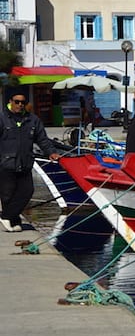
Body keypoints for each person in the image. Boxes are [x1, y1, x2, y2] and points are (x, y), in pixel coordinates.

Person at [0, 92, 62, 232]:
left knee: (27, 191)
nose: (20, 105)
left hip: (25, 162)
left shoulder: (32, 120)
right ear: (10, 101)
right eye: (16, 101)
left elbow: (42, 139)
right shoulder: (2, 118)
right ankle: (13, 221)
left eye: (23, 102)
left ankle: (6, 216)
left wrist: (51, 152)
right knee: (7, 194)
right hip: (6, 163)